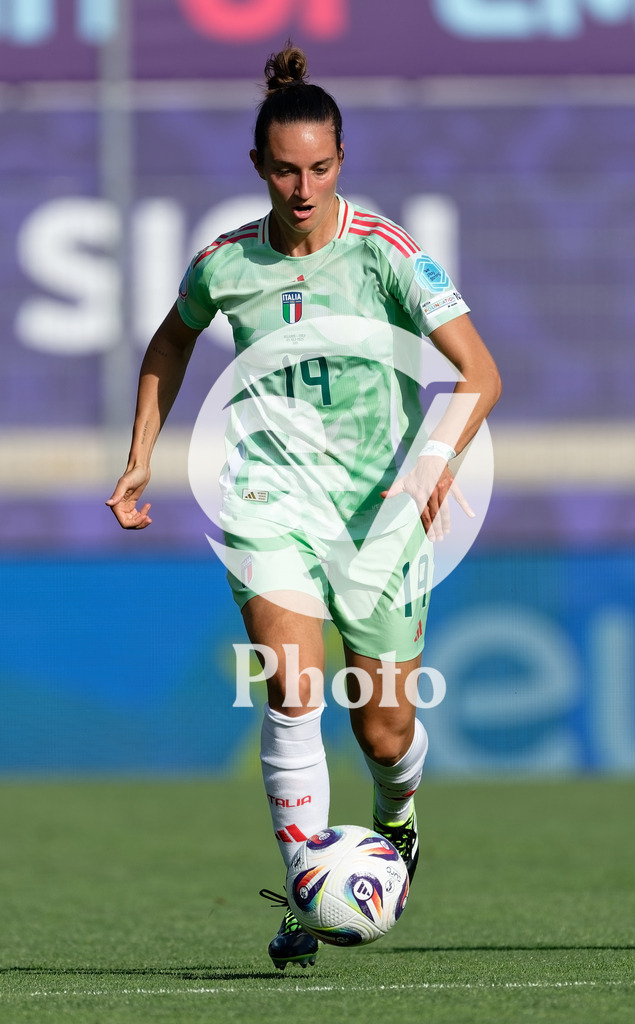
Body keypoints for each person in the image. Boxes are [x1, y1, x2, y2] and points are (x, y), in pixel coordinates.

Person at [107, 44, 501, 970]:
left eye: (319, 167)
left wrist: (435, 460)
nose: (302, 185)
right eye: (285, 168)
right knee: (292, 688)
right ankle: (308, 895)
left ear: (340, 160)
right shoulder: (224, 264)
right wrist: (138, 459)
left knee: (384, 727)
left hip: (377, 515)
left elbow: (479, 372)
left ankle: (395, 822)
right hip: (265, 498)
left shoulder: (387, 255)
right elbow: (168, 343)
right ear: (258, 167)